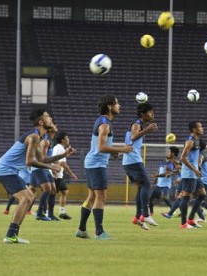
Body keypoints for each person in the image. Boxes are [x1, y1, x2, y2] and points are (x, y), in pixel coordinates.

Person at [0, 109, 76, 244]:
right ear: (41, 122)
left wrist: (64, 155)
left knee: (30, 197)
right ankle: (10, 235)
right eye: (48, 116)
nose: (51, 118)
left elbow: (43, 159)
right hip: (5, 170)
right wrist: (52, 167)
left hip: (9, 170)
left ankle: (12, 234)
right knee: (26, 197)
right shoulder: (34, 137)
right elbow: (29, 162)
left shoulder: (37, 137)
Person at [76, 94, 133, 240]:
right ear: (109, 106)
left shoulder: (103, 121)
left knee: (91, 197)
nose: (119, 106)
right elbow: (101, 147)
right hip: (96, 164)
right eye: (117, 103)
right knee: (101, 196)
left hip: (92, 163)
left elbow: (101, 146)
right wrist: (122, 149)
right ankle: (99, 233)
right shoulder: (105, 124)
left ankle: (81, 230)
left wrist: (113, 152)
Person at [122, 103, 159, 230]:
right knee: (146, 185)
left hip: (128, 161)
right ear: (143, 114)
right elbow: (133, 137)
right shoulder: (137, 124)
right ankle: (146, 214)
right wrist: (148, 129)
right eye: (150, 112)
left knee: (140, 188)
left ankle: (138, 218)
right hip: (133, 160)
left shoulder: (138, 124)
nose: (152, 114)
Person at [29, 122, 59, 221]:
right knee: (47, 189)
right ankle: (40, 213)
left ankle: (50, 214)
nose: (56, 126)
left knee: (53, 190)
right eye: (54, 125)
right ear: (50, 129)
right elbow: (42, 159)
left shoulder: (50, 140)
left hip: (45, 168)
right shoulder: (46, 141)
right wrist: (52, 167)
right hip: (40, 167)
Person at [179, 121, 205, 229]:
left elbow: (193, 157)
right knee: (186, 197)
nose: (202, 128)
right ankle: (183, 223)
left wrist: (198, 165)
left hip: (194, 173)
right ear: (194, 129)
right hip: (189, 173)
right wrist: (194, 169)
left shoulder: (197, 141)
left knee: (202, 194)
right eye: (200, 127)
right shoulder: (190, 141)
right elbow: (182, 158)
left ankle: (190, 219)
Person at [52, 131, 78, 220]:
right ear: (63, 140)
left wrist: (68, 154)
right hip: (56, 174)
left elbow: (58, 159)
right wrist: (71, 174)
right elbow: (61, 162)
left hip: (58, 174)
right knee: (52, 194)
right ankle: (46, 211)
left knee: (64, 191)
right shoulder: (59, 148)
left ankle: (62, 212)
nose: (68, 139)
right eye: (67, 138)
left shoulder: (59, 148)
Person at [148, 146, 180, 216]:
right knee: (150, 198)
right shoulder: (162, 162)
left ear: (173, 154)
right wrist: (154, 181)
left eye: (169, 152)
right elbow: (159, 172)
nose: (167, 153)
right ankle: (151, 213)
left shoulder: (172, 164)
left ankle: (172, 210)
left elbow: (167, 174)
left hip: (166, 184)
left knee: (164, 197)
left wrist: (157, 176)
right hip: (158, 184)